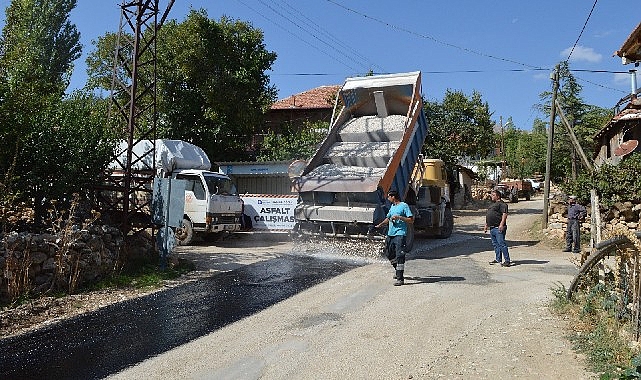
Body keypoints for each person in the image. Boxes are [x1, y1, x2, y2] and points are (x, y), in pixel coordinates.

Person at [375, 190, 414, 286]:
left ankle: (400, 279)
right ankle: (397, 269)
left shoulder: (404, 206)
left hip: (400, 234)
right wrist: (380, 224)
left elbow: (411, 220)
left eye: (389, 196)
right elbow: (388, 218)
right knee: (388, 253)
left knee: (399, 255)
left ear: (393, 197)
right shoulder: (392, 207)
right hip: (391, 234)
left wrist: (400, 217)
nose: (388, 198)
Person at [484, 189, 511, 267]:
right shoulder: (492, 204)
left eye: (493, 195)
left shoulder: (502, 204)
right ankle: (498, 259)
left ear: (498, 196)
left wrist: (501, 225)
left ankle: (507, 261)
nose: (491, 196)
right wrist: (486, 225)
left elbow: (504, 214)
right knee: (495, 244)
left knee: (502, 244)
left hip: (498, 228)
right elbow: (489, 215)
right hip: (492, 228)